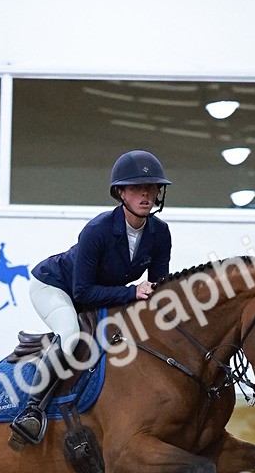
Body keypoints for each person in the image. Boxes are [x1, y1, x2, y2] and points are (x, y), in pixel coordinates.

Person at [10, 150, 173, 445]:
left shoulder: (160, 233)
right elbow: (82, 291)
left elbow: (158, 287)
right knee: (71, 335)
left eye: (152, 188)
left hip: (97, 295)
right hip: (56, 288)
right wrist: (132, 292)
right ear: (121, 193)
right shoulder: (97, 230)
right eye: (137, 188)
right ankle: (31, 412)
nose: (146, 195)